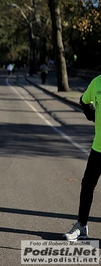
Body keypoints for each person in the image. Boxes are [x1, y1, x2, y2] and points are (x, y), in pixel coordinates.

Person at [63, 75, 100, 241]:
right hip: (98, 147)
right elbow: (84, 101)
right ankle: (82, 226)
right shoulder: (97, 81)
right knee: (87, 186)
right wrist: (91, 114)